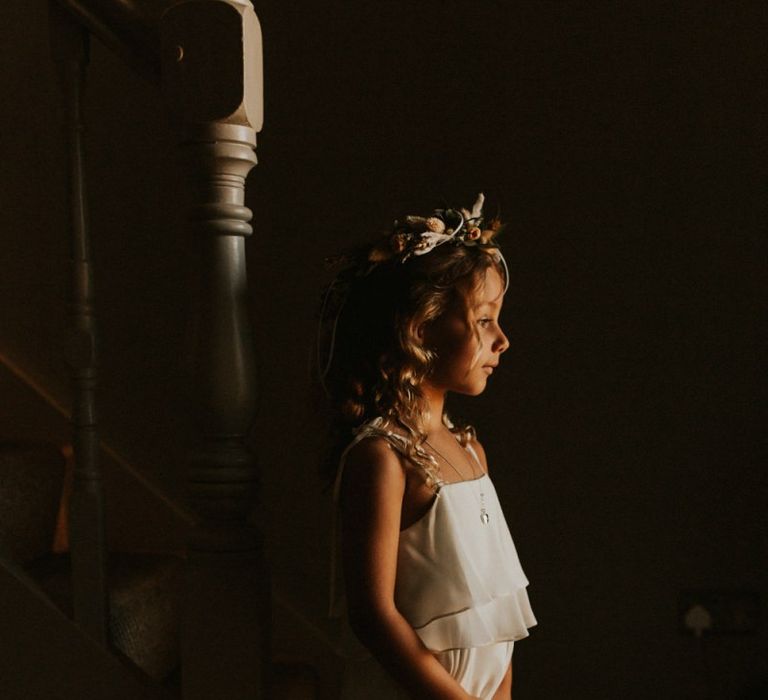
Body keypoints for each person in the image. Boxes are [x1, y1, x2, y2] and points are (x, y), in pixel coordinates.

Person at [317, 194, 536, 699]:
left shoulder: (471, 454)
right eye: (483, 320)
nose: (502, 339)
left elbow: (497, 609)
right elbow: (373, 616)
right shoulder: (382, 460)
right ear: (421, 328)